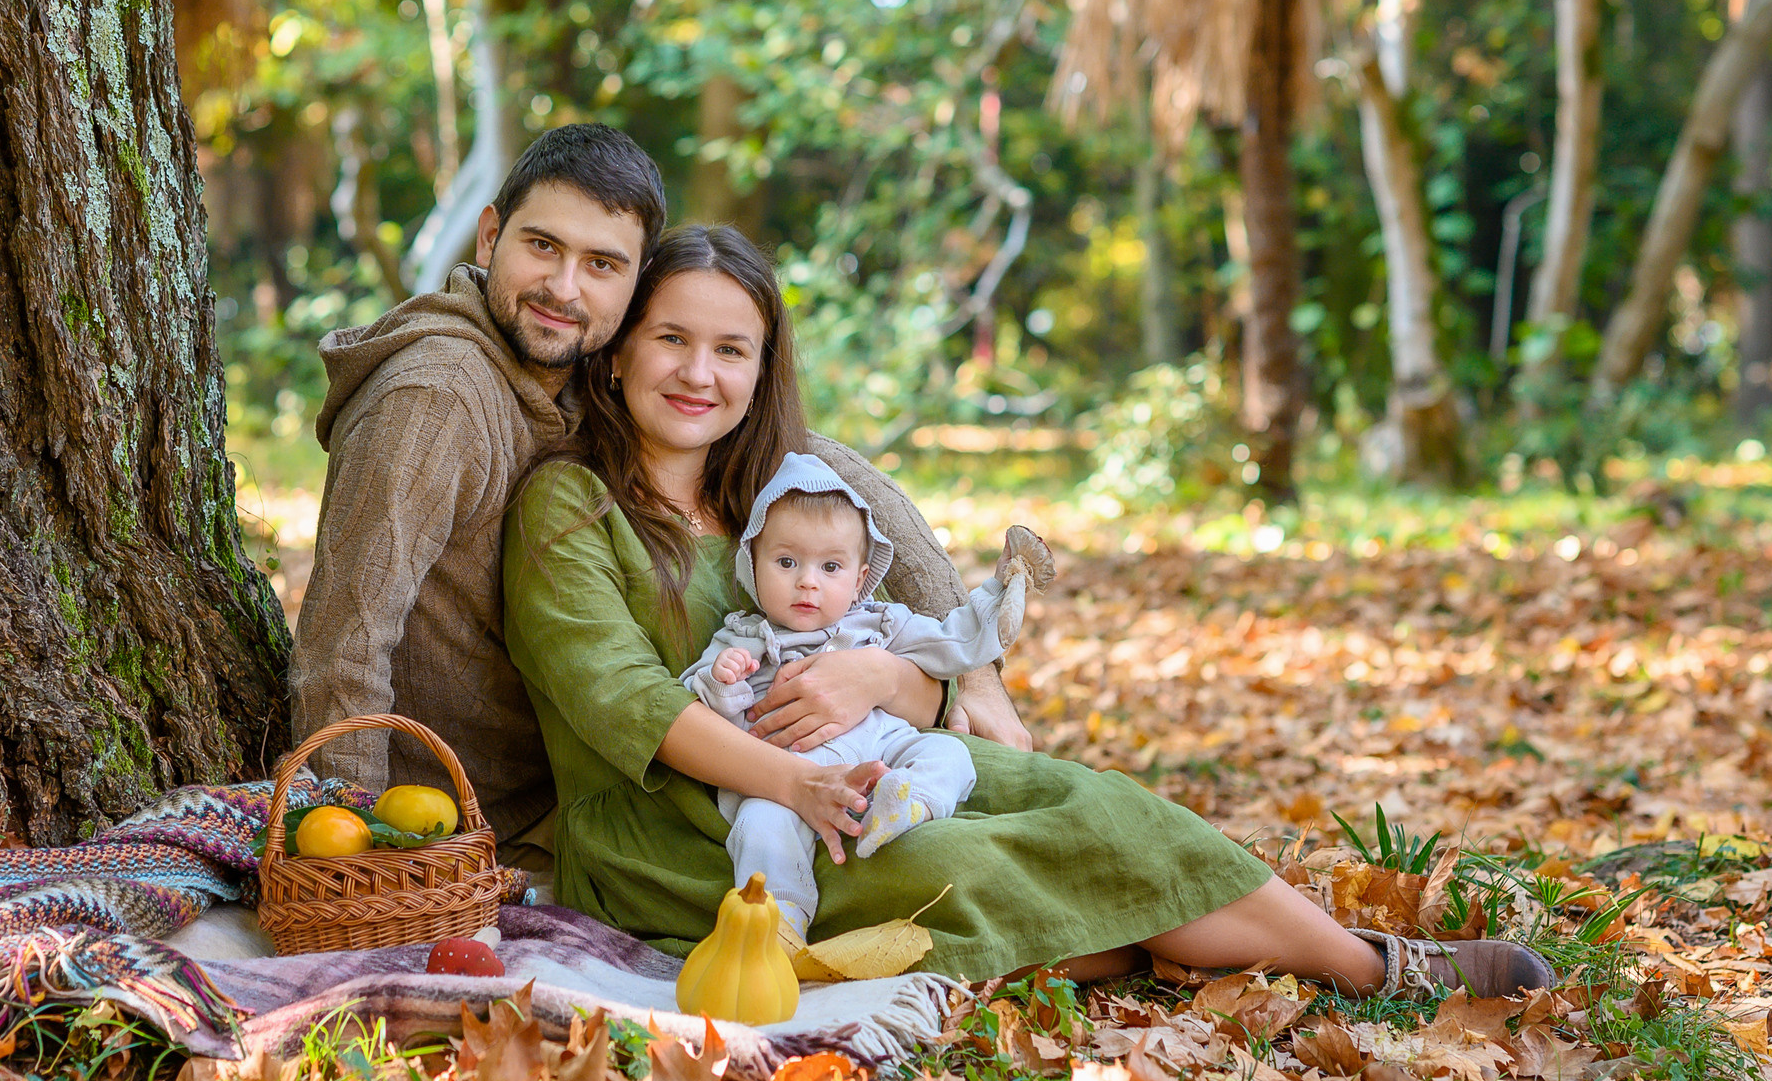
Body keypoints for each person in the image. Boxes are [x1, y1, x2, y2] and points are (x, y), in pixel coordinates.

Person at [502, 225, 1555, 996]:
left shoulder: (781, 495)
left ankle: (1365, 964)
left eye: (731, 349)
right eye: (671, 339)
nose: (698, 372)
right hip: (690, 832)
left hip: (875, 766)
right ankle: (1287, 958)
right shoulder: (568, 506)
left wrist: (895, 680)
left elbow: (900, 643)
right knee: (963, 864)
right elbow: (626, 704)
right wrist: (802, 784)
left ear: (762, 367)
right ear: (621, 348)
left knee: (1087, 803)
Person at [293, 127, 1029, 885]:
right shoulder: (438, 398)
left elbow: (815, 459)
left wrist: (974, 677)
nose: (565, 287)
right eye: (542, 246)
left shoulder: (575, 359)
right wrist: (340, 847)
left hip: (617, 784)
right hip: (470, 816)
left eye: (602, 264)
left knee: (1030, 820)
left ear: (634, 285)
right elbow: (347, 634)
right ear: (490, 236)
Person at [680, 451, 1050, 947]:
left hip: (880, 749)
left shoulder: (879, 623)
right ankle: (778, 925)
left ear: (858, 579)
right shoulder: (744, 638)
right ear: (753, 565)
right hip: (787, 772)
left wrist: (1000, 592)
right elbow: (704, 712)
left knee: (949, 752)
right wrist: (725, 682)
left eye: (830, 566)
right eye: (786, 562)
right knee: (761, 828)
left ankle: (910, 802)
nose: (808, 580)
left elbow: (952, 642)